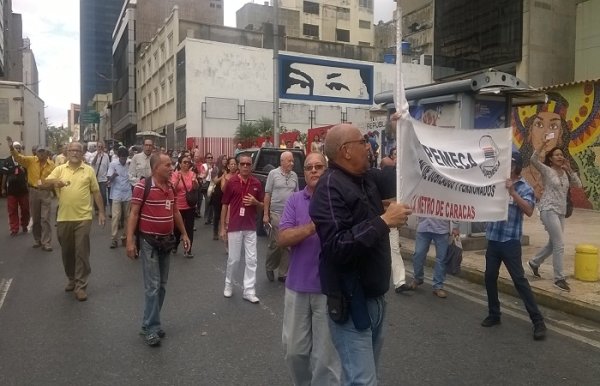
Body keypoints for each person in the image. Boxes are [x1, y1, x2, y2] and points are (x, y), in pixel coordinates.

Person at [309, 124, 411, 385]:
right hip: (351, 301)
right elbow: (336, 246)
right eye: (362, 142)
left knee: (359, 377)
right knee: (363, 381)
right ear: (345, 151)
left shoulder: (367, 178)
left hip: (376, 300)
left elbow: (401, 173)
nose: (368, 147)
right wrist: (383, 221)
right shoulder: (328, 188)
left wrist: (402, 127)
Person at [279, 152, 341, 385]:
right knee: (294, 351)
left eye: (319, 167)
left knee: (326, 359)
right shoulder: (294, 201)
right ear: (303, 173)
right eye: (309, 167)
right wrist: (314, 226)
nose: (314, 171)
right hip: (297, 287)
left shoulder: (338, 200)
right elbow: (283, 238)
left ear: (327, 171)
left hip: (328, 290)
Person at [126, 153, 191, 347]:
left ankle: (149, 323)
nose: (172, 168)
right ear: (156, 169)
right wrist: (130, 241)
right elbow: (134, 214)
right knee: (153, 286)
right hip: (149, 243)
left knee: (161, 285)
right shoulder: (142, 186)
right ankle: (152, 328)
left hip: (167, 242)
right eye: (168, 165)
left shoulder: (170, 187)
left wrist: (185, 234)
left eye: (171, 165)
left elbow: (175, 212)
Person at [483, 152, 547, 340]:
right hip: (493, 238)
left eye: (511, 163)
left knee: (519, 281)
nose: (508, 166)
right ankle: (494, 314)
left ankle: (538, 322)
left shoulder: (524, 187)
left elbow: (528, 210)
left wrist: (513, 193)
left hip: (510, 241)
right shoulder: (496, 183)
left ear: (517, 165)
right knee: (489, 277)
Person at [44, 142, 106, 301]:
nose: (75, 153)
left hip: (83, 218)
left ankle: (80, 285)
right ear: (66, 152)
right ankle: (71, 278)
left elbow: (96, 192)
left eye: (78, 150)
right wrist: (54, 182)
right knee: (67, 252)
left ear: (82, 153)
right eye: (72, 150)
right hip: (64, 217)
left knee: (81, 252)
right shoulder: (59, 169)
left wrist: (101, 213)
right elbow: (43, 183)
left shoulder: (88, 170)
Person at [527, 140, 582, 292]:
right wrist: (542, 144)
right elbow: (533, 159)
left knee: (553, 244)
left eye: (561, 154)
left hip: (561, 212)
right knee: (559, 244)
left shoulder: (565, 172)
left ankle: (534, 263)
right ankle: (559, 278)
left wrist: (570, 169)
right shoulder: (546, 170)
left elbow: (578, 185)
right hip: (548, 209)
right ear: (550, 158)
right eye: (556, 155)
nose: (560, 157)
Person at [220, 154, 264, 304]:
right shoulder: (231, 182)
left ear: (251, 166)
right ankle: (228, 284)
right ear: (238, 166)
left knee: (252, 259)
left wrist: (255, 202)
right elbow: (224, 205)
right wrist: (222, 228)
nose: (245, 166)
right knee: (234, 259)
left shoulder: (257, 183)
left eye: (248, 164)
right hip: (235, 226)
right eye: (243, 164)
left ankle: (249, 291)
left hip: (251, 226)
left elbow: (263, 206)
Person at [7, 136, 55, 251]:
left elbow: (55, 179)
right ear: (36, 153)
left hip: (45, 192)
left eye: (43, 151)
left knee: (45, 218)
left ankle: (46, 242)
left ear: (47, 153)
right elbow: (18, 157)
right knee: (36, 218)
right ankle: (37, 240)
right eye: (39, 151)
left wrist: (53, 189)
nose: (41, 154)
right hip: (33, 191)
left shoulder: (52, 165)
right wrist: (11, 146)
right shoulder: (30, 161)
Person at [263, 151, 299, 282]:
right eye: (289, 161)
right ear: (282, 161)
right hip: (276, 213)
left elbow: (296, 195)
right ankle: (270, 266)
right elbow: (267, 194)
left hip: (290, 214)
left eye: (292, 161)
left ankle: (283, 273)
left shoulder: (294, 175)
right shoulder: (273, 174)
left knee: (288, 243)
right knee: (277, 242)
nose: (292, 163)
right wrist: (266, 214)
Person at [408, 218, 460, 298]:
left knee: (441, 259)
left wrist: (455, 227)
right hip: (424, 227)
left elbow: (454, 207)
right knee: (418, 254)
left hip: (441, 229)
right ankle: (417, 278)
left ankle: (438, 286)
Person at [170, 154, 198, 258]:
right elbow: (173, 189)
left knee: (189, 229)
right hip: (178, 207)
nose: (187, 164)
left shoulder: (192, 174)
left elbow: (195, 188)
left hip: (190, 206)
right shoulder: (175, 174)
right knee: (177, 229)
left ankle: (188, 249)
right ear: (180, 164)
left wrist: (195, 182)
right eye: (184, 162)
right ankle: (175, 243)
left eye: (188, 162)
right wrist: (178, 179)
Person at [1, 141, 30, 236]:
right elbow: (4, 176)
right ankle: (14, 229)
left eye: (19, 148)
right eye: (16, 148)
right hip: (12, 191)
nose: (18, 149)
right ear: (12, 149)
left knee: (25, 209)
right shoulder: (7, 161)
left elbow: (29, 175)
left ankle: (25, 225)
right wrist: (3, 188)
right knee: (12, 210)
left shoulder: (24, 160)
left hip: (23, 190)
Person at [108, 147, 132, 249]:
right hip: (117, 193)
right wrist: (114, 175)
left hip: (127, 193)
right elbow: (109, 178)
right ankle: (114, 239)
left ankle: (125, 236)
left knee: (128, 217)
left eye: (125, 158)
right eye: (122, 158)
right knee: (115, 217)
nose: (124, 160)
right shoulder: (113, 164)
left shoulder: (129, 163)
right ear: (119, 157)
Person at [210, 155, 228, 240]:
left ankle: (224, 230)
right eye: (223, 159)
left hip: (226, 193)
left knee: (225, 213)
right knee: (217, 214)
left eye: (226, 159)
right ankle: (215, 232)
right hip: (217, 194)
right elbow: (215, 181)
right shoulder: (216, 169)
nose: (225, 160)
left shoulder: (228, 169)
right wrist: (223, 176)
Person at [91, 141, 110, 215]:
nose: (100, 148)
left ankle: (103, 208)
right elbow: (92, 163)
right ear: (96, 147)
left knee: (104, 195)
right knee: (96, 194)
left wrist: (108, 177)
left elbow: (108, 166)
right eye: (99, 147)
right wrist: (97, 155)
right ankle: (96, 209)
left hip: (103, 179)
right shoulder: (93, 155)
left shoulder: (106, 156)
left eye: (101, 147)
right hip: (95, 178)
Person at [199, 153, 216, 224]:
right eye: (208, 158)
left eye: (211, 158)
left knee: (212, 201)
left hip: (213, 184)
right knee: (207, 201)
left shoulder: (214, 166)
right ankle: (206, 217)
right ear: (206, 159)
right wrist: (208, 169)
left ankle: (211, 218)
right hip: (206, 184)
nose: (210, 159)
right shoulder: (203, 166)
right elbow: (203, 176)